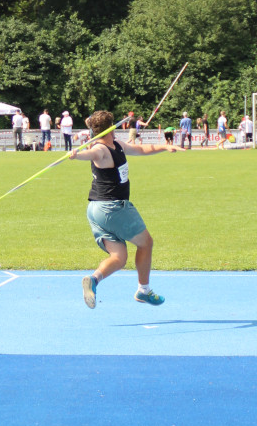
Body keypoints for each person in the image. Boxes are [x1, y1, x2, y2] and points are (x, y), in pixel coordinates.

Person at [69, 110, 185, 309]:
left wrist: (164, 146)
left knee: (119, 257)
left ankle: (93, 280)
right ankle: (144, 290)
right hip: (112, 208)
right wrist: (77, 154)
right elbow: (92, 154)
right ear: (112, 127)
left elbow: (141, 149)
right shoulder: (102, 149)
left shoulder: (118, 146)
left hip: (96, 210)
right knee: (146, 243)